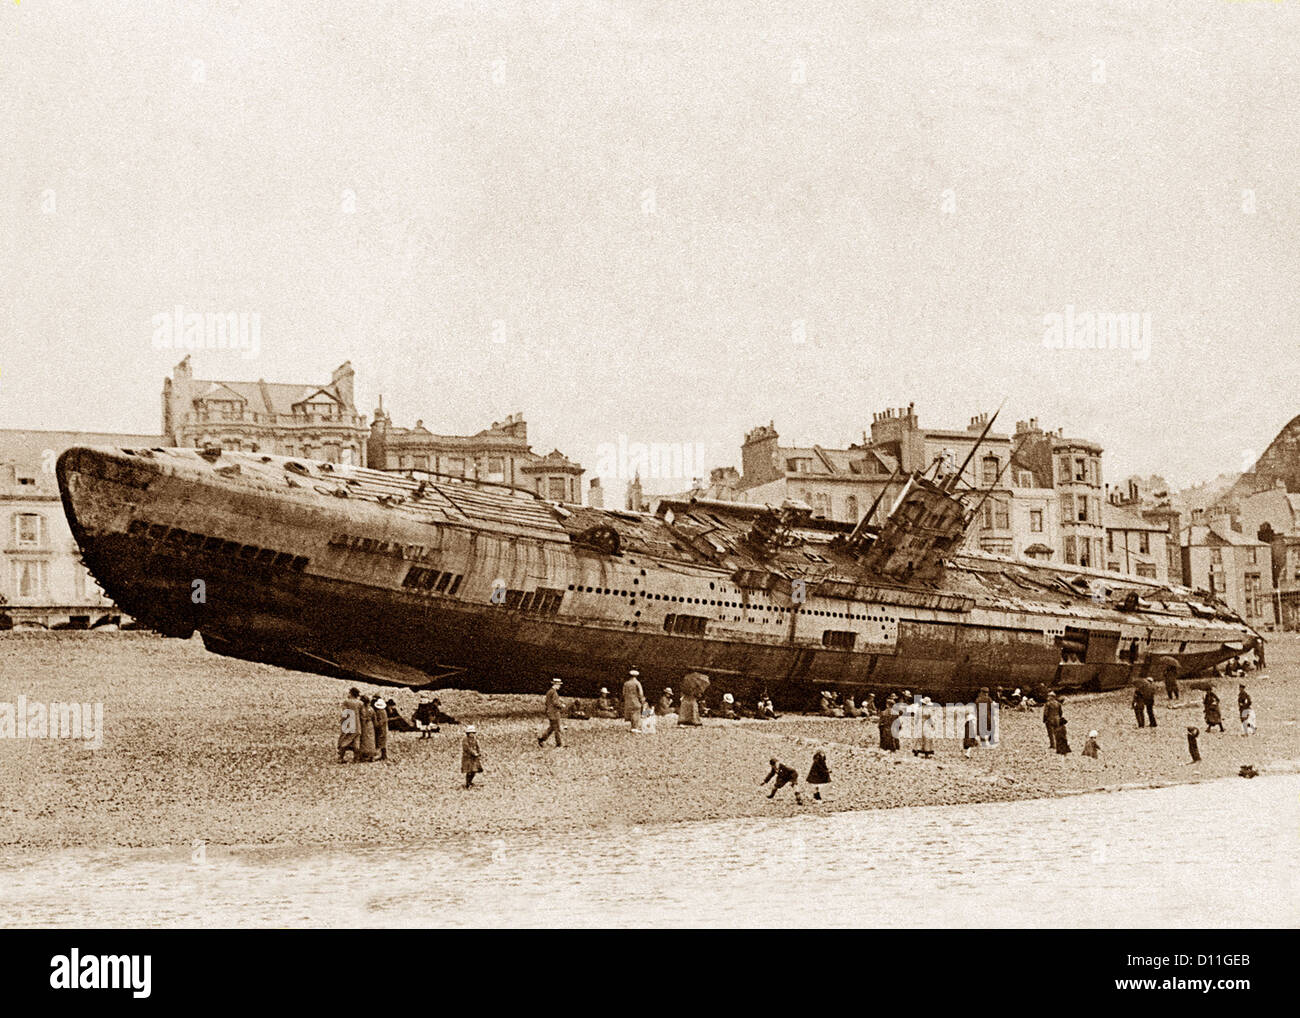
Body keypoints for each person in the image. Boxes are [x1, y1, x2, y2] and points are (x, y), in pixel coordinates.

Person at [338, 687, 363, 763]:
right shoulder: (360, 703)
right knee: (356, 741)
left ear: (351, 693)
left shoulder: (346, 702)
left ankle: (340, 758)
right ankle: (356, 758)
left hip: (348, 723)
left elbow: (344, 713)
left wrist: (342, 721)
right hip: (357, 724)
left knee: (345, 740)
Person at [538, 678, 564, 747]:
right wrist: (561, 705)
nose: (559, 686)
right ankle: (559, 744)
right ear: (555, 684)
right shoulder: (554, 692)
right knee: (557, 728)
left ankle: (542, 739)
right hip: (554, 713)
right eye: (559, 685)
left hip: (550, 712)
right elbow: (555, 703)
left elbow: (547, 702)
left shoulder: (549, 692)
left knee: (552, 728)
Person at [358, 694, 377, 763]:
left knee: (363, 740)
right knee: (371, 739)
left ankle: (363, 756)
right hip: (370, 724)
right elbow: (374, 718)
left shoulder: (361, 710)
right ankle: (371, 756)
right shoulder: (371, 709)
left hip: (363, 725)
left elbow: (361, 718)